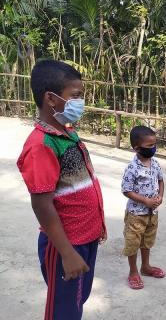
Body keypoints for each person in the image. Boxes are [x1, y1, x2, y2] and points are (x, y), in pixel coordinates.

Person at [17, 60, 106, 320]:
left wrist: (97, 224)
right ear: (51, 99)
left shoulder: (67, 132)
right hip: (66, 244)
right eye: (75, 96)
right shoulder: (41, 145)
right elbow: (41, 205)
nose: (81, 102)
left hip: (86, 237)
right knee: (63, 311)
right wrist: (67, 253)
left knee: (78, 300)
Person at [121, 125, 165, 290]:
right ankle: (133, 272)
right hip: (136, 214)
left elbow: (161, 181)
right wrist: (145, 201)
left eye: (154, 144)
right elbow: (126, 190)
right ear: (136, 148)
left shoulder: (155, 164)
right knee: (133, 242)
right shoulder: (132, 168)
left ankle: (145, 267)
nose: (153, 148)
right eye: (149, 146)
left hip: (152, 213)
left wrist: (160, 196)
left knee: (147, 241)